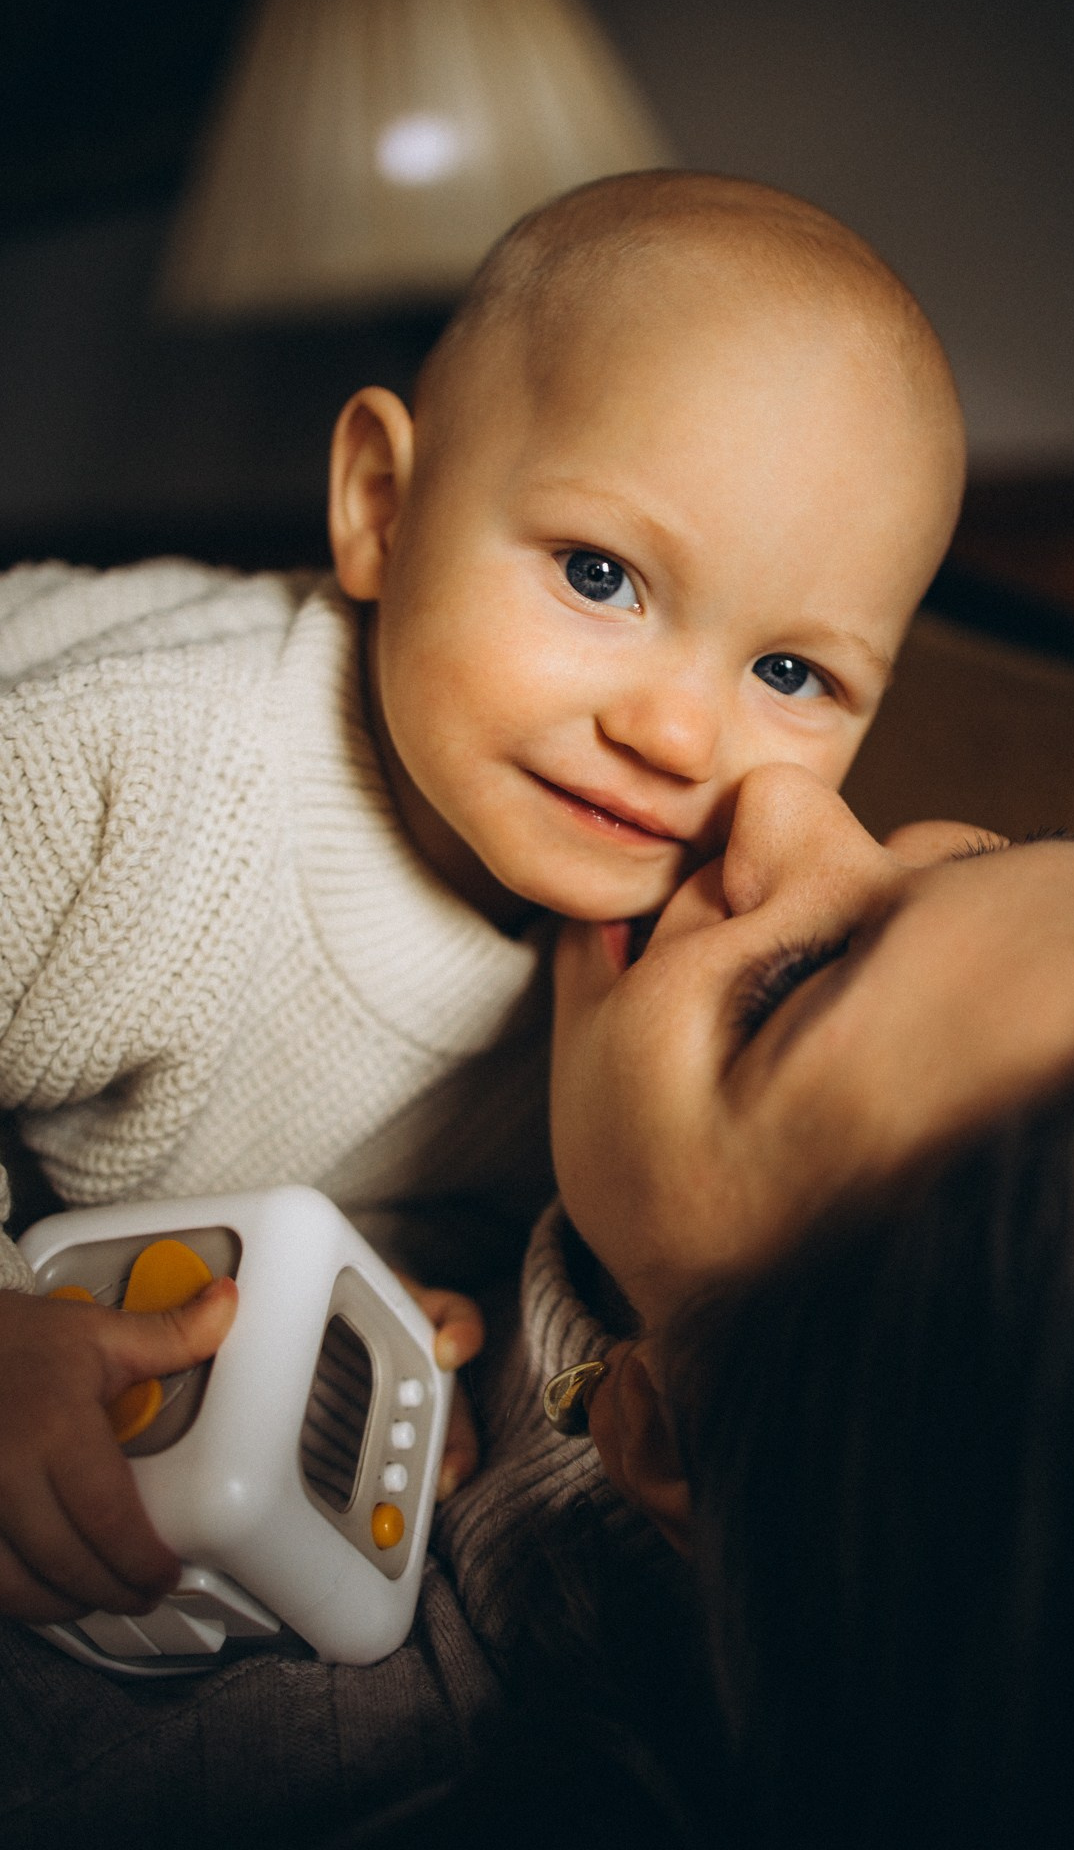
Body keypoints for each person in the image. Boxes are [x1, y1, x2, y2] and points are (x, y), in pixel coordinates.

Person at [0, 170, 965, 1628]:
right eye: (600, 575)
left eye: (790, 673)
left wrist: (383, 1288)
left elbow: (413, 1170)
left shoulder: (644, 993)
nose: (677, 735)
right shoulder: (140, 769)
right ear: (382, 508)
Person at [2, 766, 1074, 1845]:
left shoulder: (224, 1762)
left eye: (790, 988)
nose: (785, 795)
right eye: (993, 851)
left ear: (664, 1435)